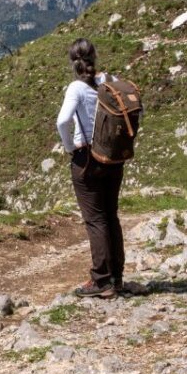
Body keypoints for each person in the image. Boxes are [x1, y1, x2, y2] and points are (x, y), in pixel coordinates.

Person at [55, 38, 125, 298]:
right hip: (113, 158)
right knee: (111, 216)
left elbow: (62, 121)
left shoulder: (76, 87)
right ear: (94, 57)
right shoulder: (109, 80)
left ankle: (101, 280)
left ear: (73, 62)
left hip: (87, 157)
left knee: (95, 219)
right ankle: (117, 278)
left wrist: (69, 148)